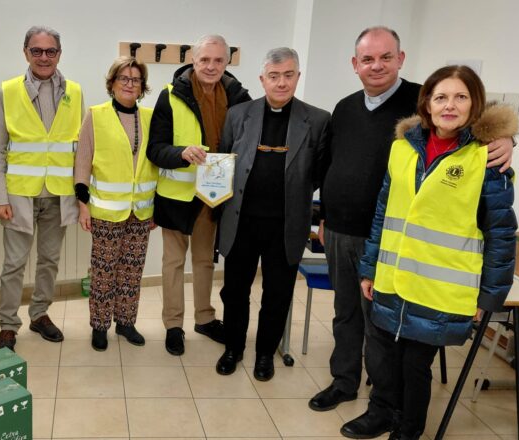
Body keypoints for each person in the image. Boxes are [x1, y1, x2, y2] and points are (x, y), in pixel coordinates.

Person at [311, 27, 515, 435]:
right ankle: (349, 385)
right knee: (348, 316)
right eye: (367, 59)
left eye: (386, 56)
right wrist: (325, 215)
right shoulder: (357, 114)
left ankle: (398, 415)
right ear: (355, 65)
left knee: (395, 344)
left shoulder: (436, 114)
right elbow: (343, 172)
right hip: (361, 242)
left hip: (419, 265)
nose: (376, 65)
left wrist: (506, 137)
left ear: (401, 59)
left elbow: (498, 230)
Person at [358, 65, 517, 440]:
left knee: (415, 365)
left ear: (474, 104)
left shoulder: (487, 159)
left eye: (460, 97)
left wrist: (489, 296)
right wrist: (369, 269)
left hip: (441, 289)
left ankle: (408, 430)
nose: (449, 105)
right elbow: (384, 213)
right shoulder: (402, 148)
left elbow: (501, 234)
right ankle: (385, 414)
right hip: (394, 278)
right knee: (389, 358)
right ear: (426, 104)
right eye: (441, 97)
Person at [215, 48, 329, 381]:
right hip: (241, 223)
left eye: (288, 75)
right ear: (262, 79)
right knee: (235, 291)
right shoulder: (237, 115)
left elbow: (323, 172)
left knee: (277, 295)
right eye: (274, 76)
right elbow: (224, 161)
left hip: (287, 225)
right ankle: (233, 348)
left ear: (297, 76)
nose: (281, 83)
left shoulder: (318, 120)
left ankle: (265, 353)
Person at [147, 34, 250, 356]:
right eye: (205, 59)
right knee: (173, 263)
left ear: (227, 61)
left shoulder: (240, 97)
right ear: (193, 60)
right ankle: (173, 326)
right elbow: (155, 150)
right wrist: (181, 153)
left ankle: (204, 319)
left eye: (218, 60)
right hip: (177, 198)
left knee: (205, 262)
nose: (211, 66)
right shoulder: (170, 96)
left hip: (215, 197)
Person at [0, 26, 83, 351]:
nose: (44, 57)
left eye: (50, 51)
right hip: (19, 196)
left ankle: (40, 314)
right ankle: (9, 325)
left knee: (49, 260)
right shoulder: (8, 91)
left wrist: (83, 196)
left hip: (58, 195)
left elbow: (80, 149)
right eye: (37, 51)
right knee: (13, 264)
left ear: (59, 54)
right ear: (26, 52)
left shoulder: (75, 92)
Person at [74, 56, 157, 351]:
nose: (130, 84)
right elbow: (82, 161)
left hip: (141, 211)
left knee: (132, 270)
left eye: (135, 80)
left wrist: (155, 207)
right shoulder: (95, 115)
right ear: (112, 83)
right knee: (104, 271)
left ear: (142, 87)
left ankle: (126, 322)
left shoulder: (150, 117)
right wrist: (83, 205)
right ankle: (99, 326)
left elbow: (156, 164)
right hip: (106, 211)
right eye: (124, 78)